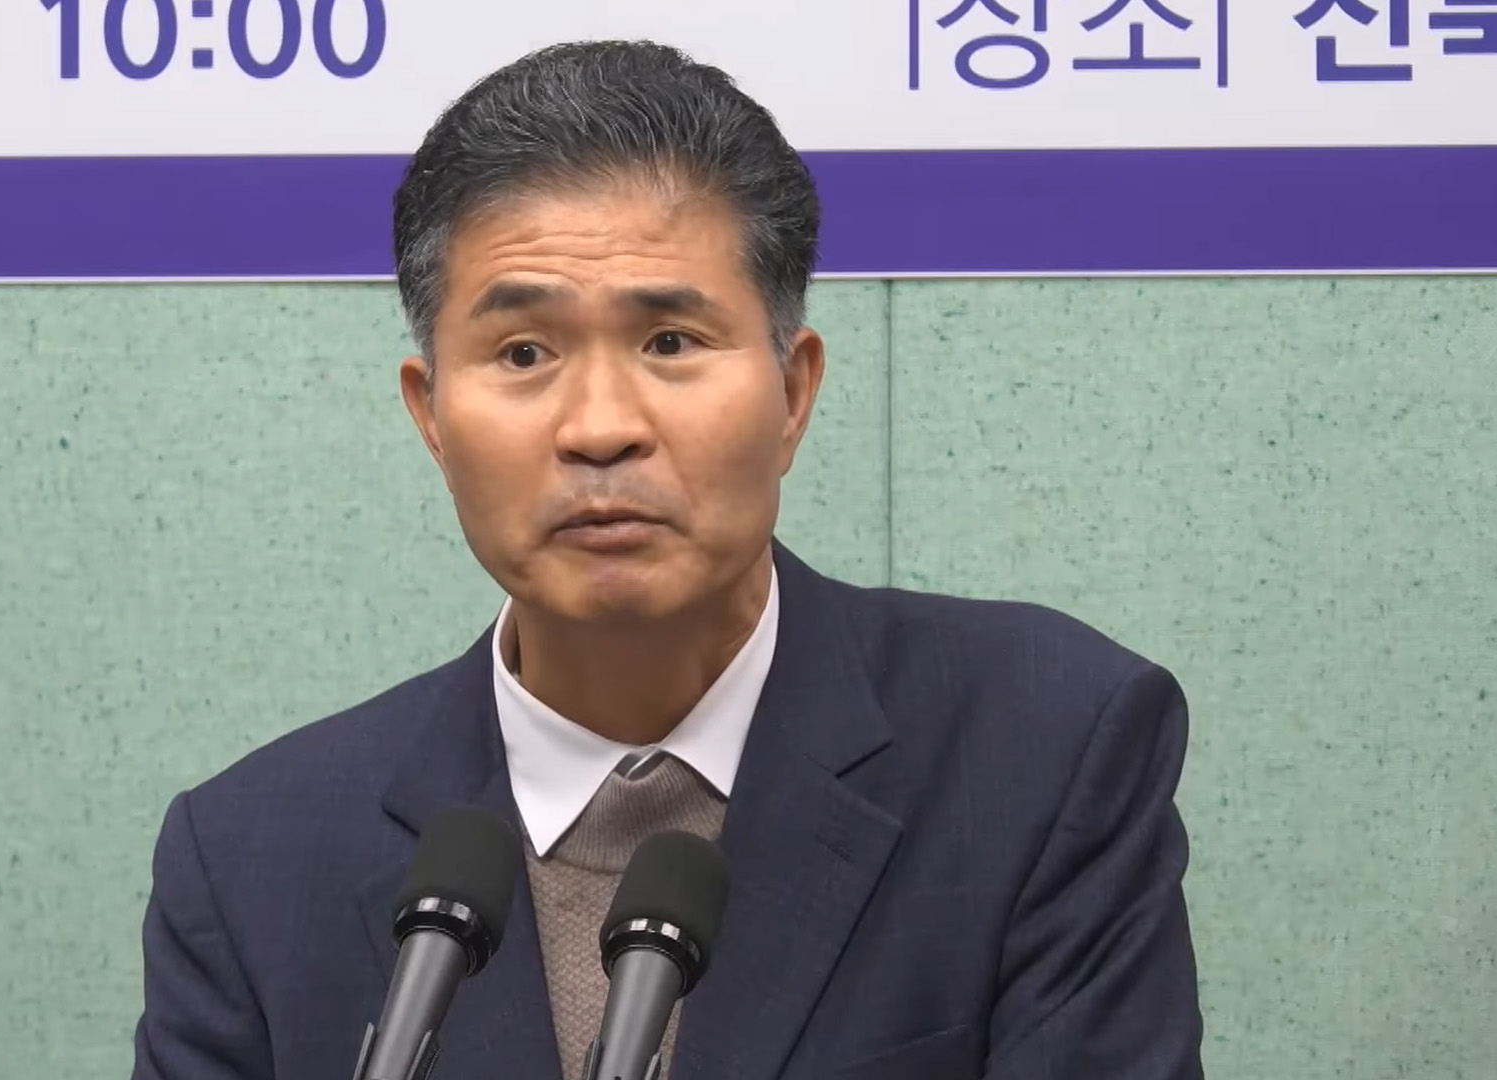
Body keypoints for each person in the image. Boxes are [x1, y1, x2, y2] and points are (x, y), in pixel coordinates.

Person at [130, 39, 1204, 1080]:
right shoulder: (251, 861)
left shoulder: (1041, 749)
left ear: (793, 394)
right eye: (523, 352)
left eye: (670, 343)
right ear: (432, 419)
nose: (601, 427)